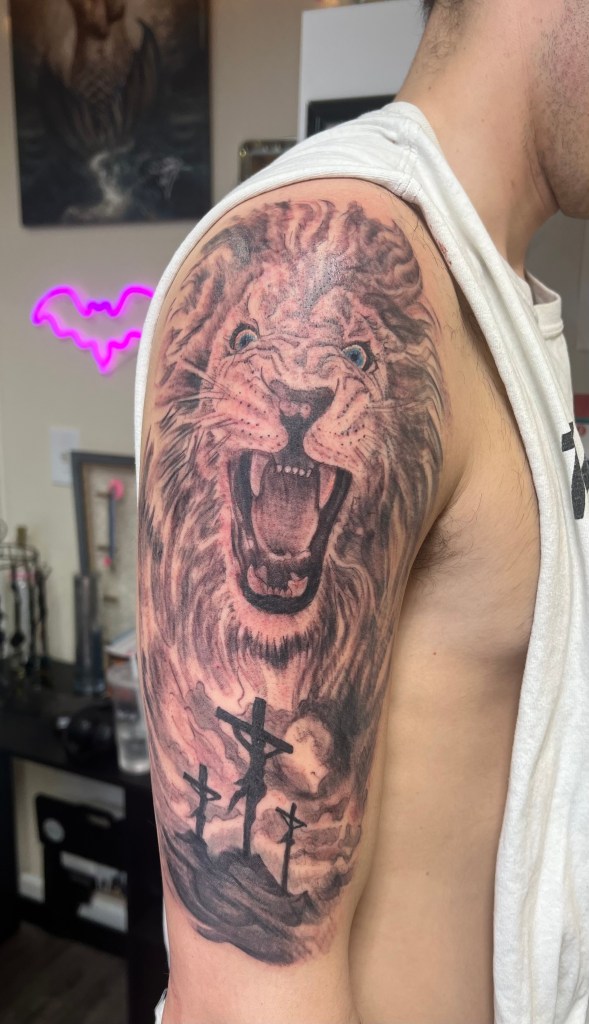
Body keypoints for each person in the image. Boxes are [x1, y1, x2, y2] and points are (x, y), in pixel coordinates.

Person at [134, 0, 589, 1021]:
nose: (302, 382)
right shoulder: (315, 257)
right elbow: (241, 1001)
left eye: (347, 356)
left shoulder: (484, 289)